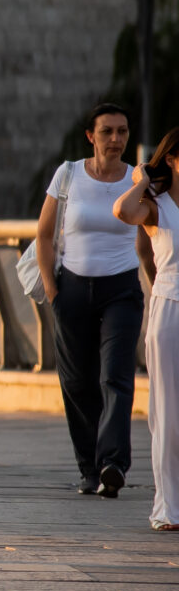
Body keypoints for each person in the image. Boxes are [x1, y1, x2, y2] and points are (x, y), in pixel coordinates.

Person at [48, 103, 142, 496]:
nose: (116, 139)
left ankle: (113, 464)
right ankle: (89, 467)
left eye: (122, 131)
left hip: (121, 289)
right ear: (91, 136)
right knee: (76, 381)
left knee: (114, 377)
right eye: (107, 132)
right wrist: (54, 293)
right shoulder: (68, 174)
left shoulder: (137, 179)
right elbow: (42, 234)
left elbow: (154, 231)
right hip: (71, 288)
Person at [113, 131, 179, 529]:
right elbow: (123, 211)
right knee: (167, 413)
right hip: (169, 308)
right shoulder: (157, 207)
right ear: (172, 159)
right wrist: (141, 180)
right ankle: (167, 507)